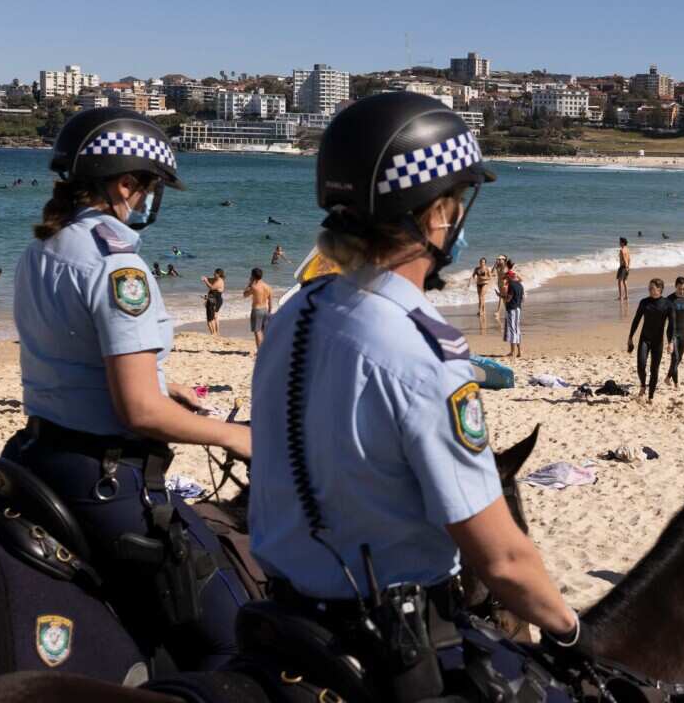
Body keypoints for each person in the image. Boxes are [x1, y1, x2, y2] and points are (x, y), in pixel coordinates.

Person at [247, 94, 580, 684]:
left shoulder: (294, 313)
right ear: (432, 216)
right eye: (454, 205)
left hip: (282, 616)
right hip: (389, 646)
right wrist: (570, 629)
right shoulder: (425, 354)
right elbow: (501, 559)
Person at [2, 108, 251, 669]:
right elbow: (138, 411)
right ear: (124, 184)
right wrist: (233, 436)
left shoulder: (41, 249)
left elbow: (74, 355)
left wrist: (168, 382)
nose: (146, 202)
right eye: (148, 190)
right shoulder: (121, 270)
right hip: (104, 478)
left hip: (39, 453)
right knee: (236, 638)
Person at [627, 278, 675, 402]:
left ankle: (650, 396)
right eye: (649, 288)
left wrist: (671, 342)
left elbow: (672, 325)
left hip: (658, 341)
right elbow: (636, 320)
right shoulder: (644, 302)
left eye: (651, 288)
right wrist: (630, 337)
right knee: (641, 365)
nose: (649, 290)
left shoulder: (668, 304)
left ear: (659, 289)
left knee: (654, 369)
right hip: (644, 339)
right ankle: (643, 385)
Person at [242, 267, 273, 349]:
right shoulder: (268, 287)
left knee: (257, 331)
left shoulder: (254, 287)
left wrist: (249, 284)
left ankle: (260, 351)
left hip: (257, 310)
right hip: (265, 310)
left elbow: (244, 295)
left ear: (253, 276)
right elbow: (270, 302)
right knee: (264, 331)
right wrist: (269, 313)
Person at [503, 260, 524, 357]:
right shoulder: (520, 285)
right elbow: (522, 298)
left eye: (506, 277)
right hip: (518, 309)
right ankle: (520, 351)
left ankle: (512, 352)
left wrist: (502, 296)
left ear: (509, 277)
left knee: (512, 330)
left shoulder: (511, 285)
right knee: (517, 329)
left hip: (511, 309)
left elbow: (508, 299)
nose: (505, 279)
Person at [201, 268, 225, 335]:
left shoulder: (219, 281)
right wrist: (206, 278)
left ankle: (213, 333)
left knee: (211, 318)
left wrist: (205, 281)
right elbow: (210, 279)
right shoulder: (217, 279)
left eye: (215, 273)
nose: (213, 274)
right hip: (216, 299)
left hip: (215, 300)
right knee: (215, 316)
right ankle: (217, 332)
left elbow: (211, 287)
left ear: (218, 274)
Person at [616, 237, 631, 301]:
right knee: (625, 281)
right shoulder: (627, 249)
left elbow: (624, 259)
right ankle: (626, 296)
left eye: (620, 242)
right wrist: (628, 267)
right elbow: (629, 259)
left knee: (619, 281)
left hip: (623, 267)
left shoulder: (622, 250)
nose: (619, 243)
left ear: (622, 243)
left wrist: (625, 266)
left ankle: (620, 297)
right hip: (627, 267)